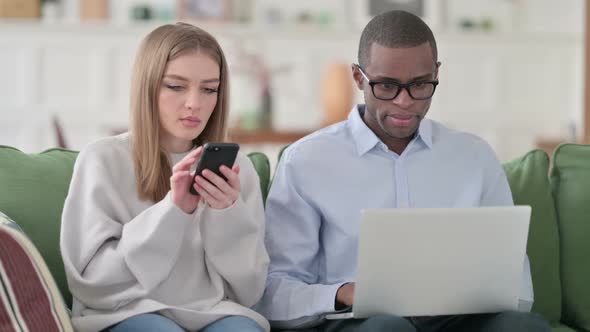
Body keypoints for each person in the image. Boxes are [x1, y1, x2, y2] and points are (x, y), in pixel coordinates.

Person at [256, 10, 551, 332]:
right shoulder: (307, 160)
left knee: (524, 327)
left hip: (459, 320)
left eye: (420, 85)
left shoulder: (474, 157)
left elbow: (516, 285)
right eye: (386, 86)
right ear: (358, 78)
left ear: (436, 73)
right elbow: (274, 293)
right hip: (360, 323)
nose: (405, 102)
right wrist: (342, 294)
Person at [60, 23, 269, 332]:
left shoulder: (237, 169)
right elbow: (92, 282)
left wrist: (227, 215)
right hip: (125, 311)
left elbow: (250, 291)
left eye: (209, 89)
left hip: (214, 312)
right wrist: (174, 211)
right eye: (175, 86)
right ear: (148, 86)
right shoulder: (102, 160)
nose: (194, 103)